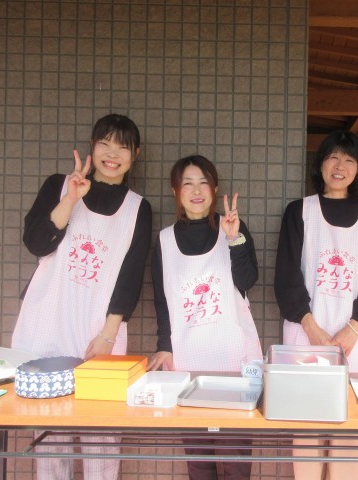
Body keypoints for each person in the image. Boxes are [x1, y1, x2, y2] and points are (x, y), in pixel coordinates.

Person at [11, 114, 152, 480]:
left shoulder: (138, 207)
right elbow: (36, 243)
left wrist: (108, 335)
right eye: (105, 143)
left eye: (122, 147)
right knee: (50, 436)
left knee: (101, 435)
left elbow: (130, 277)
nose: (112, 154)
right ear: (92, 146)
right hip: (49, 322)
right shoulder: (60, 186)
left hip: (99, 332)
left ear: (135, 155)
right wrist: (71, 199)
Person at [274, 130, 358, 480]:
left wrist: (354, 328)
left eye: (349, 160)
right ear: (321, 164)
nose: (340, 166)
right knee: (307, 432)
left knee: (351, 435)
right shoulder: (299, 211)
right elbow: (286, 276)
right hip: (305, 336)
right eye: (333, 157)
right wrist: (311, 327)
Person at [149, 154, 262, 480]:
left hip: (234, 357)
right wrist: (164, 346)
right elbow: (162, 300)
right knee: (198, 457)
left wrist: (233, 239)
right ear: (175, 191)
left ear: (214, 189)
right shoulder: (164, 240)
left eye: (203, 183)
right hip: (189, 358)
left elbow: (247, 281)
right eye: (188, 183)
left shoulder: (234, 228)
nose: (196, 191)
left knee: (236, 456)